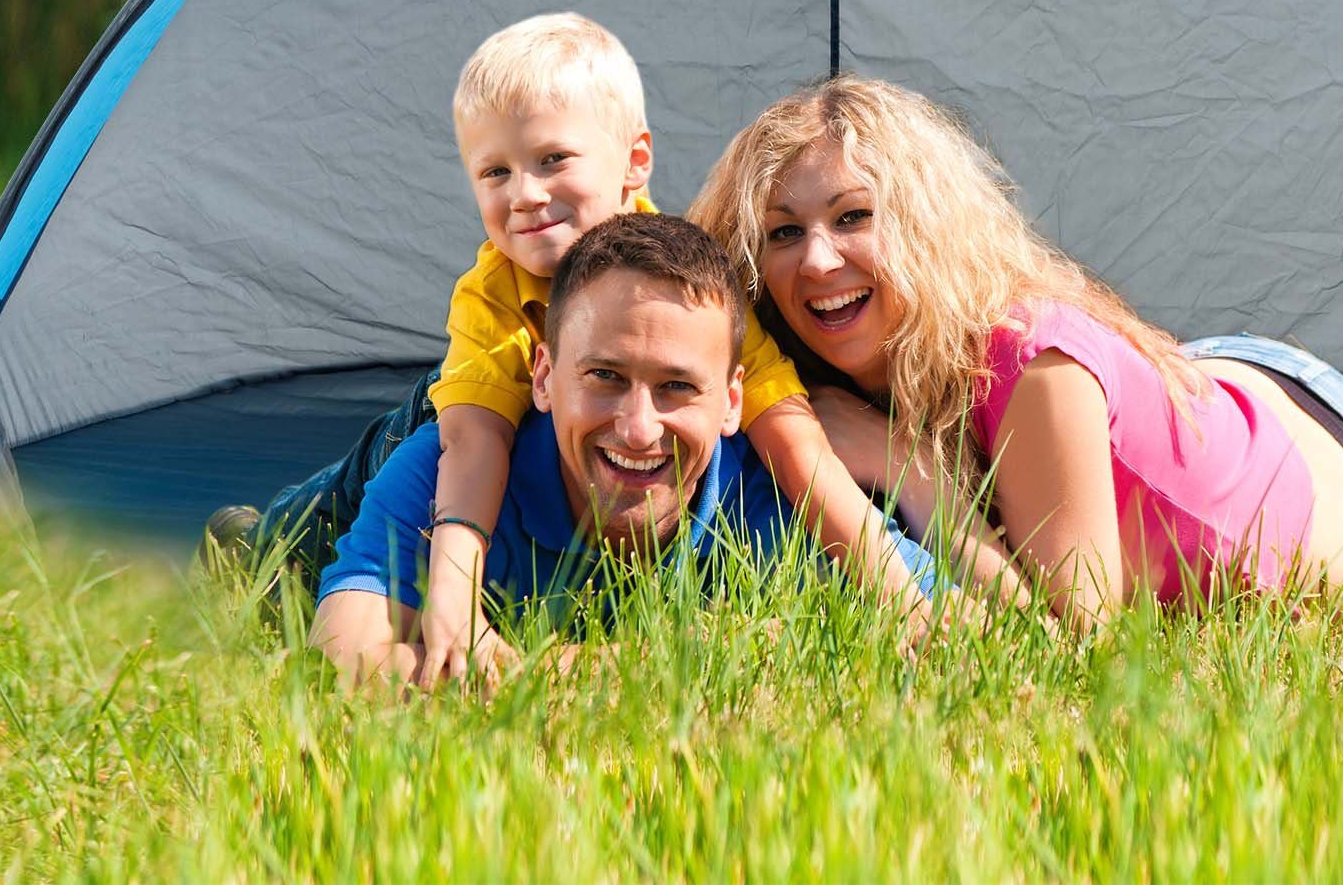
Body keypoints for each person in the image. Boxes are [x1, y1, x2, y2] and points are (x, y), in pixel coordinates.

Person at [229, 15, 928, 679]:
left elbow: (794, 443)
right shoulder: (488, 300)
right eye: (495, 173)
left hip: (554, 427)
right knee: (315, 526)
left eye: (552, 159)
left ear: (634, 162)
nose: (526, 194)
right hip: (449, 422)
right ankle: (251, 542)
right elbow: (469, 447)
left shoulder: (693, 291)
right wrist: (455, 607)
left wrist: (903, 596)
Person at [691, 75, 1343, 627]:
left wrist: (905, 468)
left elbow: (1079, 644)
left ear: (924, 227)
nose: (817, 262)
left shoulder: (1030, 362)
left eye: (853, 216)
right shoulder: (818, 363)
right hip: (1200, 400)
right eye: (783, 232)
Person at [309, 210, 933, 685]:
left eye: (677, 387)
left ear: (733, 401)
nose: (639, 427)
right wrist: (674, 661)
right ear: (545, 376)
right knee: (292, 536)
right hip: (380, 453)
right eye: (605, 377)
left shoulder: (776, 500)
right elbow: (333, 664)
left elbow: (955, 623)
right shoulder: (445, 473)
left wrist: (506, 675)